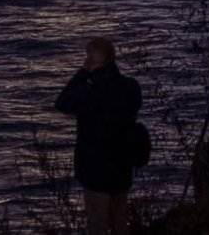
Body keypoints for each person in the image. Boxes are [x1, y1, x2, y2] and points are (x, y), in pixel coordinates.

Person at [54, 36, 143, 234]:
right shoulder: (131, 86)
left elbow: (62, 103)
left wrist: (82, 74)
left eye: (88, 56)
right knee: (120, 222)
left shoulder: (90, 91)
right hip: (122, 166)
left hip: (96, 169)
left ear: (93, 60)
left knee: (97, 224)